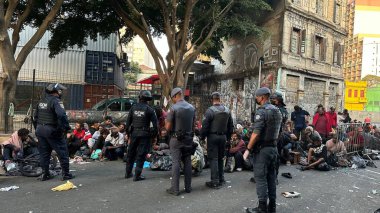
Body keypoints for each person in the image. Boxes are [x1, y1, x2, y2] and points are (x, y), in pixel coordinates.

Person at [245, 87, 282, 213]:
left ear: (262, 97)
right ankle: (272, 207)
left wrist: (248, 148)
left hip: (263, 150)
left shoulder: (262, 111)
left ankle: (262, 208)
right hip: (273, 148)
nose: (256, 99)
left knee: (260, 178)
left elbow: (256, 133)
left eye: (256, 97)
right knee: (271, 178)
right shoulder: (277, 110)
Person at [33, 83, 74, 181]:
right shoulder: (56, 101)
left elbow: (35, 117)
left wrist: (38, 129)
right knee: (62, 152)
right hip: (52, 130)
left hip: (40, 130)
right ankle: (66, 174)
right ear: (57, 91)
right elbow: (61, 115)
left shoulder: (41, 101)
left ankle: (45, 174)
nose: (61, 92)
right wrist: (66, 127)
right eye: (60, 91)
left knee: (44, 154)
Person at [165, 88, 196, 196]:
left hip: (176, 139)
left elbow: (168, 127)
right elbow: (193, 126)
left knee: (176, 162)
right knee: (187, 162)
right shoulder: (192, 108)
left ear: (175, 96)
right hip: (188, 139)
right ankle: (188, 187)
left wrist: (166, 123)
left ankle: (175, 189)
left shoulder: (173, 108)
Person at [201, 92, 234, 189]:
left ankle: (215, 181)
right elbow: (230, 126)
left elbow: (205, 126)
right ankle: (221, 179)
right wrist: (228, 138)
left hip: (213, 137)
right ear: (220, 99)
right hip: (223, 137)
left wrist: (202, 137)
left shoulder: (210, 111)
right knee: (220, 158)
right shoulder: (227, 110)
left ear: (212, 99)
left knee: (214, 159)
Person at [125, 90, 158, 181]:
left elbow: (127, 124)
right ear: (148, 99)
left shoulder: (133, 108)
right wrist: (153, 137)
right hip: (145, 135)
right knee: (141, 154)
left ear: (140, 97)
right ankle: (137, 175)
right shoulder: (150, 109)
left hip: (134, 133)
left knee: (131, 153)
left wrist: (128, 135)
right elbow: (156, 126)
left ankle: (128, 173)